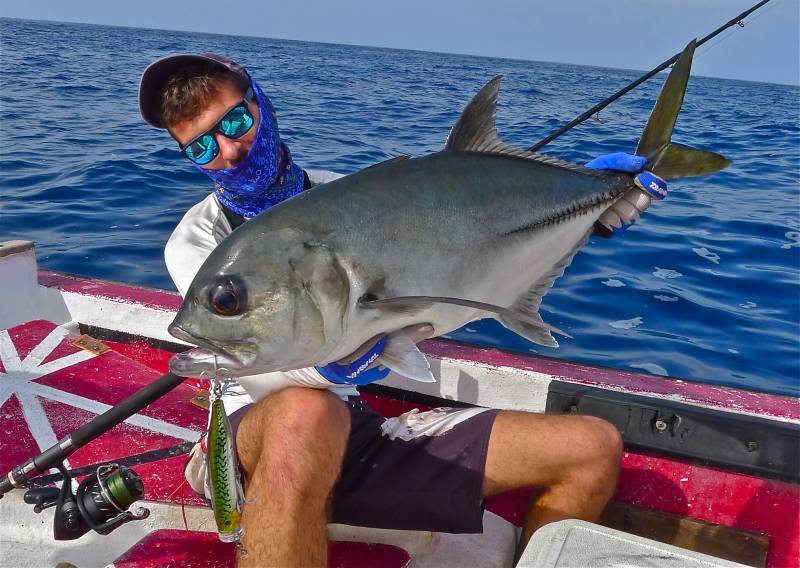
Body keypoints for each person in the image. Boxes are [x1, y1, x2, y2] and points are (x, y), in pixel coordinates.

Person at [139, 53, 657, 567]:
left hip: (355, 431)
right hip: (250, 443)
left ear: (262, 104)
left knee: (591, 447)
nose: (229, 150)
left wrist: (585, 214)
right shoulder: (198, 240)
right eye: (202, 147)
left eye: (235, 121)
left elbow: (461, 278)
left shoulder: (351, 198)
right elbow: (287, 367)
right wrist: (335, 360)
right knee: (305, 411)